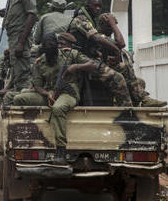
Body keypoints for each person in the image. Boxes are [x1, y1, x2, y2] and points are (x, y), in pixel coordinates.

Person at [13, 33, 132, 163]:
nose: (50, 48)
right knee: (19, 99)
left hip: (68, 92)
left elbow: (92, 64)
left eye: (52, 45)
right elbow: (37, 85)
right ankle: (29, 132)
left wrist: (75, 67)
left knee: (58, 108)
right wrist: (47, 94)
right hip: (49, 93)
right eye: (46, 46)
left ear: (57, 45)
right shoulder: (39, 62)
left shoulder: (70, 55)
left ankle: (61, 149)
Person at [97, 13, 167, 107]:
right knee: (124, 67)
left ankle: (139, 102)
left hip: (107, 71)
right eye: (109, 25)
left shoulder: (106, 38)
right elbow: (121, 43)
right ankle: (143, 99)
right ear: (102, 25)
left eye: (112, 25)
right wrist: (114, 24)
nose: (112, 29)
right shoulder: (99, 36)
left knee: (139, 81)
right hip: (98, 72)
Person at [0, 0, 37, 92]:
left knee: (22, 74)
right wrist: (6, 13)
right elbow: (19, 11)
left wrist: (21, 42)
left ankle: (24, 101)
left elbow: (32, 14)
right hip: (14, 38)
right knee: (17, 71)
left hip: (20, 37)